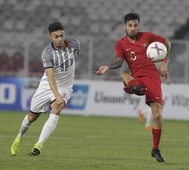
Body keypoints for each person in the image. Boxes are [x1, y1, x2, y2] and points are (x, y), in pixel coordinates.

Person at [95, 13, 171, 162]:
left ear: (138, 26)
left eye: (135, 25)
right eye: (130, 26)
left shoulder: (147, 37)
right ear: (125, 27)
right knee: (123, 74)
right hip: (136, 78)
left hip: (153, 78)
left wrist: (164, 62)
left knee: (157, 116)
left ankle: (155, 149)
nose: (133, 28)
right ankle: (133, 87)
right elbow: (118, 61)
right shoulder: (121, 44)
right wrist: (108, 66)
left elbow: (167, 43)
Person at [10, 22, 80, 156]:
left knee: (56, 109)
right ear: (50, 37)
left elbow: (76, 53)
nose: (60, 39)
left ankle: (39, 145)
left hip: (64, 86)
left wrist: (60, 96)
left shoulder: (75, 44)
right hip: (47, 85)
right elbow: (50, 76)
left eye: (62, 35)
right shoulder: (47, 53)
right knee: (32, 117)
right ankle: (20, 136)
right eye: (56, 37)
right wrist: (56, 95)